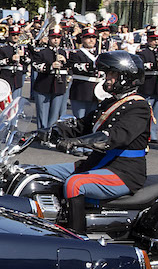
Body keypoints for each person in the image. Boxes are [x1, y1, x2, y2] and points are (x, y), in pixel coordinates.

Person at [46, 50, 152, 232]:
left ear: (126, 77)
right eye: (107, 73)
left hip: (123, 171)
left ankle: (76, 236)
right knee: (43, 173)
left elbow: (114, 136)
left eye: (112, 74)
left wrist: (76, 142)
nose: (107, 78)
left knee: (75, 184)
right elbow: (82, 125)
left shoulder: (138, 107)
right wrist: (51, 131)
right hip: (97, 163)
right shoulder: (109, 103)